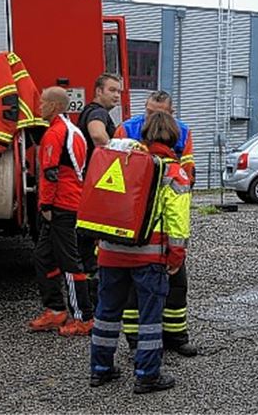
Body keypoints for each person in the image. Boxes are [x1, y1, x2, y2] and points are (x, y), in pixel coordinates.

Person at [88, 110, 190, 394]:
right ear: (175, 139)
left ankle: (100, 369)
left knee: (106, 312)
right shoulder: (173, 172)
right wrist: (176, 257)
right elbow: (177, 223)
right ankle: (147, 375)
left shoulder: (123, 162)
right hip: (149, 256)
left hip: (109, 252)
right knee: (149, 317)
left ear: (143, 135)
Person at [115, 90, 198, 356]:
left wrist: (178, 183)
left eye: (159, 113)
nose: (153, 117)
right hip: (134, 226)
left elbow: (188, 169)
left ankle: (175, 335)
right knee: (134, 289)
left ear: (171, 114)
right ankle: (136, 339)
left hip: (165, 223)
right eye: (150, 112)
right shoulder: (126, 129)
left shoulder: (182, 132)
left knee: (177, 285)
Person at [27, 87, 94, 336]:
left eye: (43, 102)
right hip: (68, 203)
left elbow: (50, 174)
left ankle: (83, 318)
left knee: (69, 262)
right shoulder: (71, 130)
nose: (39, 106)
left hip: (62, 207)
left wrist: (45, 206)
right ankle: (55, 310)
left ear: (54, 106)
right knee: (43, 256)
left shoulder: (55, 133)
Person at [78, 73, 124, 308]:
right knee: (93, 250)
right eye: (112, 90)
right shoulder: (97, 112)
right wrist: (120, 151)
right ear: (98, 91)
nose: (117, 95)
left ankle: (88, 302)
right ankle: (95, 304)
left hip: (89, 187)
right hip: (97, 188)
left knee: (87, 248)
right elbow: (97, 135)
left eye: (119, 91)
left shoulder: (88, 110)